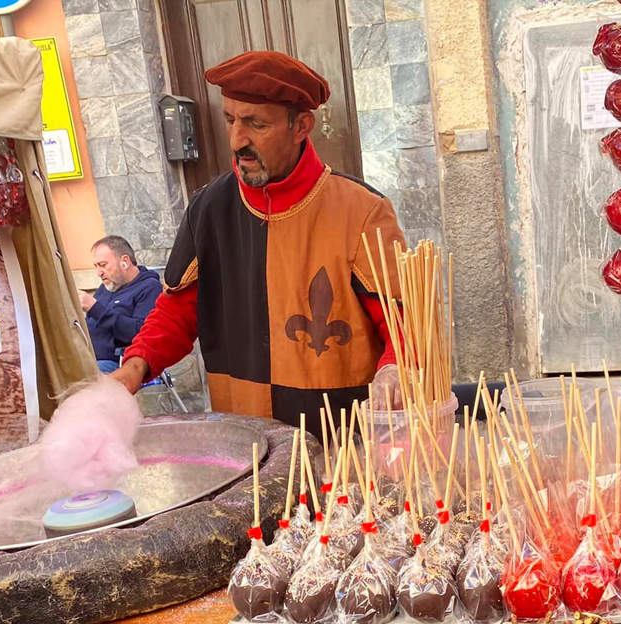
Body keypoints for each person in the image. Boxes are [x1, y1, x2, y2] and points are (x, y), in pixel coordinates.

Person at [111, 51, 404, 437]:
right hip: (247, 445)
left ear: (301, 126)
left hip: (341, 445)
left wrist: (396, 367)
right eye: (230, 119)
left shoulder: (363, 211)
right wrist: (135, 366)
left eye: (255, 124)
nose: (236, 139)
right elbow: (178, 311)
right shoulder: (207, 208)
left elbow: (404, 326)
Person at [79, 236, 162, 374]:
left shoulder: (150, 288)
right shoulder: (105, 288)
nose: (99, 272)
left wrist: (95, 308)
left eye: (103, 265)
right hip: (87, 358)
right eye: (96, 266)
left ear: (125, 262)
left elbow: (140, 333)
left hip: (120, 363)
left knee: (77, 380)